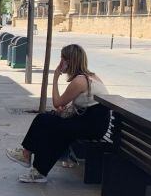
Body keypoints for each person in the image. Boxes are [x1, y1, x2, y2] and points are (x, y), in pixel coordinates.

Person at [6, 44, 110, 183]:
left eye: (63, 59)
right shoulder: (90, 76)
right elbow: (77, 104)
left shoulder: (79, 81)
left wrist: (55, 78)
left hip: (92, 126)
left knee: (47, 123)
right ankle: (33, 164)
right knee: (48, 121)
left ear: (69, 61)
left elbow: (57, 102)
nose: (61, 62)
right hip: (91, 122)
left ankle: (28, 158)